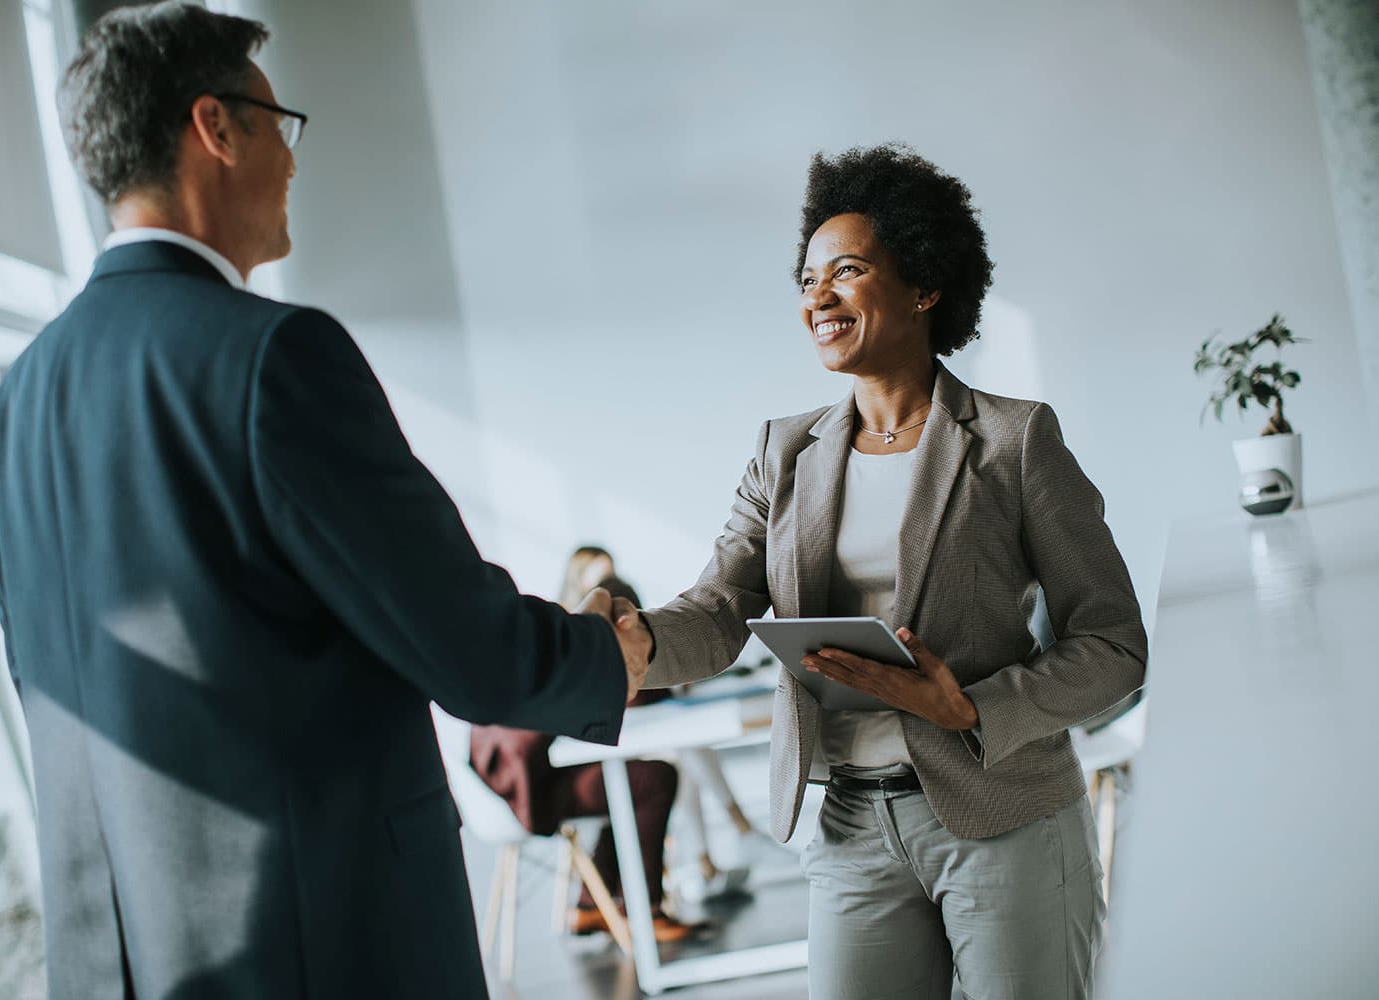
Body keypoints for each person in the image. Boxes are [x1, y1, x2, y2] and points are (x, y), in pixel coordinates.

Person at [0, 5, 647, 997]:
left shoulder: (12, 409)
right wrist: (607, 655)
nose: (292, 162)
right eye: (279, 126)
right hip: (322, 942)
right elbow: (463, 642)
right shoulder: (272, 357)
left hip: (122, 963)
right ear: (216, 127)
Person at [613, 144, 1148, 1000]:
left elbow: (1115, 645)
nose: (817, 297)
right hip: (852, 821)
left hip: (1004, 809)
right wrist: (638, 644)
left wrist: (972, 708)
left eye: (847, 271)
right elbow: (718, 609)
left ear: (925, 286)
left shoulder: (1014, 442)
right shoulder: (783, 454)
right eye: (806, 279)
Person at [471, 572, 703, 943]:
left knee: (625, 780)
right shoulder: (578, 642)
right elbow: (625, 695)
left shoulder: (542, 633)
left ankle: (589, 905)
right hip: (526, 791)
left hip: (500, 785)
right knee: (652, 779)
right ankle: (644, 912)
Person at [560, 546, 763, 901]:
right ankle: (732, 830)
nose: (609, 586)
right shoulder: (574, 633)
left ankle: (706, 858)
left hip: (638, 735)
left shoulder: (622, 626)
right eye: (598, 578)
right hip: (601, 748)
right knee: (684, 752)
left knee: (685, 751)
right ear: (579, 583)